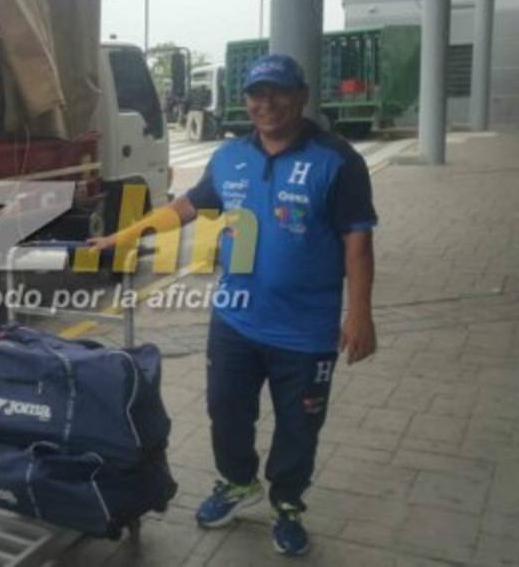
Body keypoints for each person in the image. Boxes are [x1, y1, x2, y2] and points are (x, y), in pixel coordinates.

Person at [89, 54, 377, 556]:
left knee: (298, 427)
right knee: (226, 413)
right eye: (255, 95)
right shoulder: (229, 158)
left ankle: (287, 503)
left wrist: (360, 313)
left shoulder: (336, 160)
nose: (265, 105)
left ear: (301, 96)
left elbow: (358, 239)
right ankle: (238, 482)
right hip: (235, 322)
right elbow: (185, 208)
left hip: (305, 334)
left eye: (277, 93)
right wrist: (124, 236)